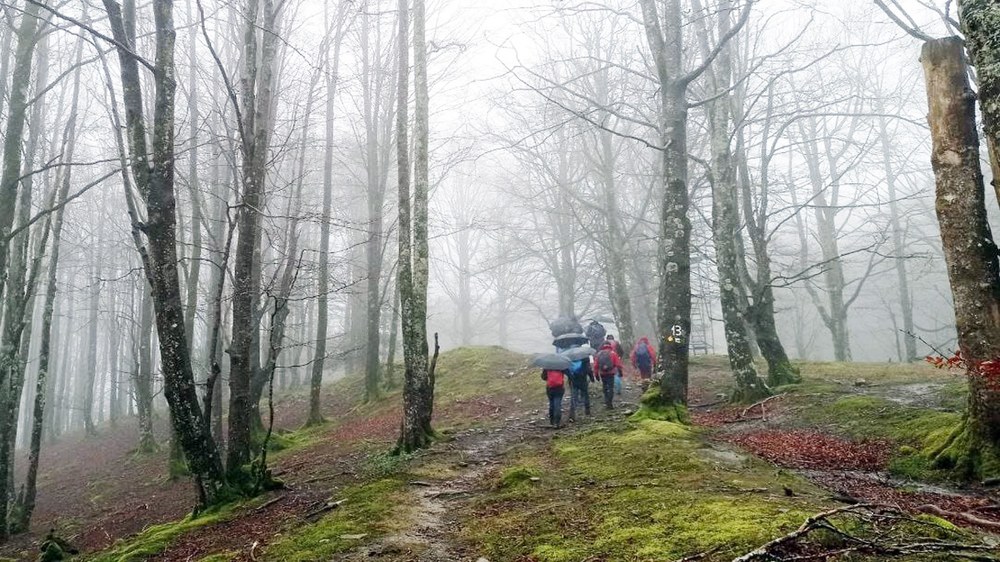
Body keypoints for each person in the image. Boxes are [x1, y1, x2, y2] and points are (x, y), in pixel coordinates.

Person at [593, 341, 623, 409]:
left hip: (602, 373)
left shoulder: (599, 354)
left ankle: (606, 401)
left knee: (605, 387)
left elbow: (595, 366)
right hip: (611, 372)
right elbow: (618, 364)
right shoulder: (613, 353)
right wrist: (620, 372)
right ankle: (610, 403)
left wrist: (596, 374)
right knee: (610, 388)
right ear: (610, 346)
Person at [567, 357, 594, 422]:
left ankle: (572, 414)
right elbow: (589, 370)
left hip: (574, 381)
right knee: (586, 395)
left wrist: (570, 379)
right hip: (583, 380)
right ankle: (587, 411)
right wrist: (592, 378)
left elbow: (568, 372)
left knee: (574, 397)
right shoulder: (585, 359)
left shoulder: (570, 360)